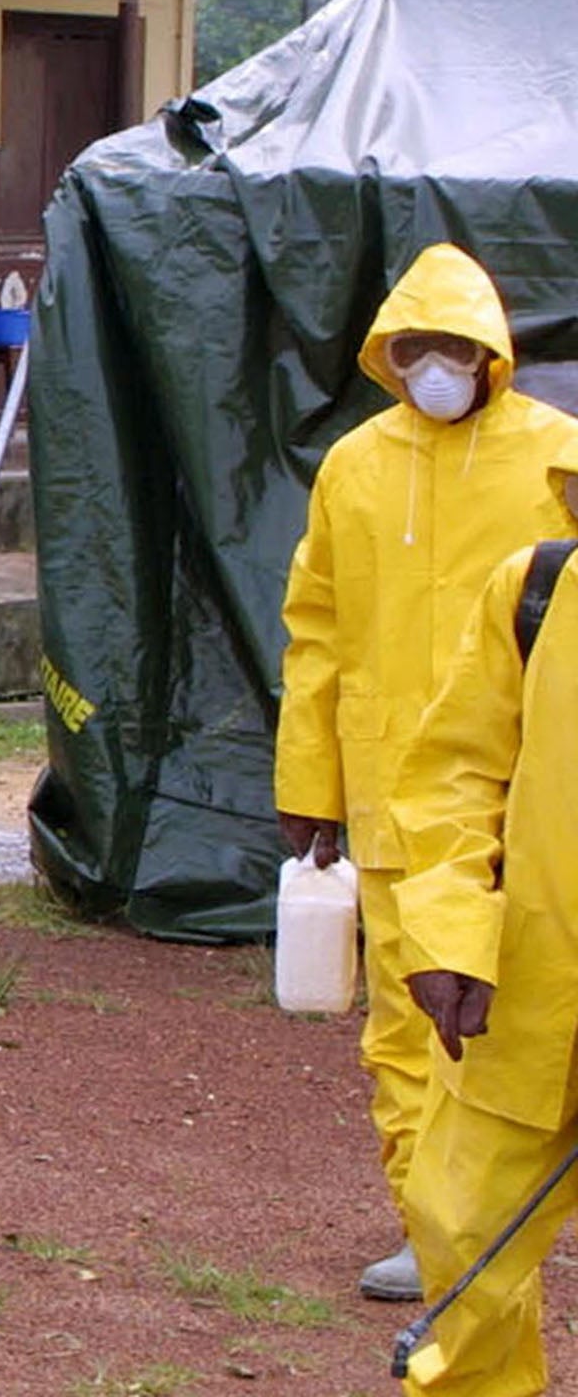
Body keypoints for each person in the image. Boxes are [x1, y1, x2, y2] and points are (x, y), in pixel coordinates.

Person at [274, 242, 578, 1302]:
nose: (432, 365)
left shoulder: (556, 459)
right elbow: (313, 628)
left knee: (540, 1018)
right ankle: (435, 1228)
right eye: (412, 347)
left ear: (489, 352)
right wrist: (306, 779)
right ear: (384, 354)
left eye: (452, 345)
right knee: (409, 1025)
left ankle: (513, 1218)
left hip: (544, 807)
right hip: (396, 797)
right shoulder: (353, 465)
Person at [386, 442, 578, 1395]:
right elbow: (455, 775)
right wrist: (452, 931)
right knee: (462, 1231)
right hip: (527, 992)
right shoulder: (536, 593)